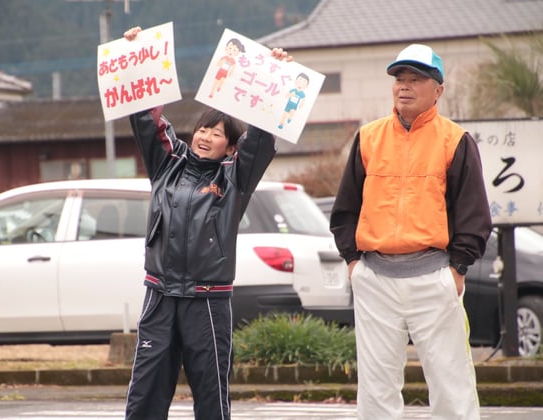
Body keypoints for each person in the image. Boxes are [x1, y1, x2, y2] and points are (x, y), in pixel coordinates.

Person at [122, 26, 291, 420]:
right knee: (145, 393)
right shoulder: (167, 165)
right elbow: (147, 121)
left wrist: (273, 78)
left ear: (230, 147)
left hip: (208, 301)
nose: (205, 135)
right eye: (202, 128)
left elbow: (261, 141)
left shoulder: (235, 178)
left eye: (217, 133)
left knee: (212, 395)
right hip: (160, 295)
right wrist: (139, 55)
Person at [330, 44, 493, 419]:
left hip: (434, 277)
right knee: (375, 386)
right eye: (399, 79)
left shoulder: (454, 139)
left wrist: (456, 270)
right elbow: (345, 209)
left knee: (451, 382)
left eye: (416, 79)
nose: (404, 86)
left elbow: (474, 213)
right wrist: (354, 262)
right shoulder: (368, 137)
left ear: (438, 90)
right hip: (375, 278)